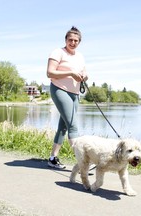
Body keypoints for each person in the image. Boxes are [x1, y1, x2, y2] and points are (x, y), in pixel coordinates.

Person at [46, 26, 88, 169]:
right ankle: (83, 163)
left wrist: (84, 76)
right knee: (72, 125)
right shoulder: (58, 52)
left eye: (76, 40)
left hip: (75, 93)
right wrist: (70, 73)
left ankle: (52, 158)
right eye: (70, 40)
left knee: (63, 127)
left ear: (79, 42)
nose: (73, 42)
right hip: (59, 89)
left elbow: (84, 72)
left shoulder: (80, 56)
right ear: (65, 40)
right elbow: (50, 73)